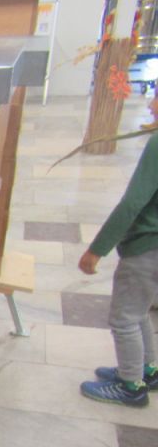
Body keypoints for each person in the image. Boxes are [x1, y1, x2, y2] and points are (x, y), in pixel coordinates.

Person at [78, 98, 158, 409]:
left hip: (147, 245)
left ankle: (130, 386)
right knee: (139, 311)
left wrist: (97, 249)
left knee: (124, 318)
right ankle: (146, 370)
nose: (151, 105)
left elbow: (132, 203)